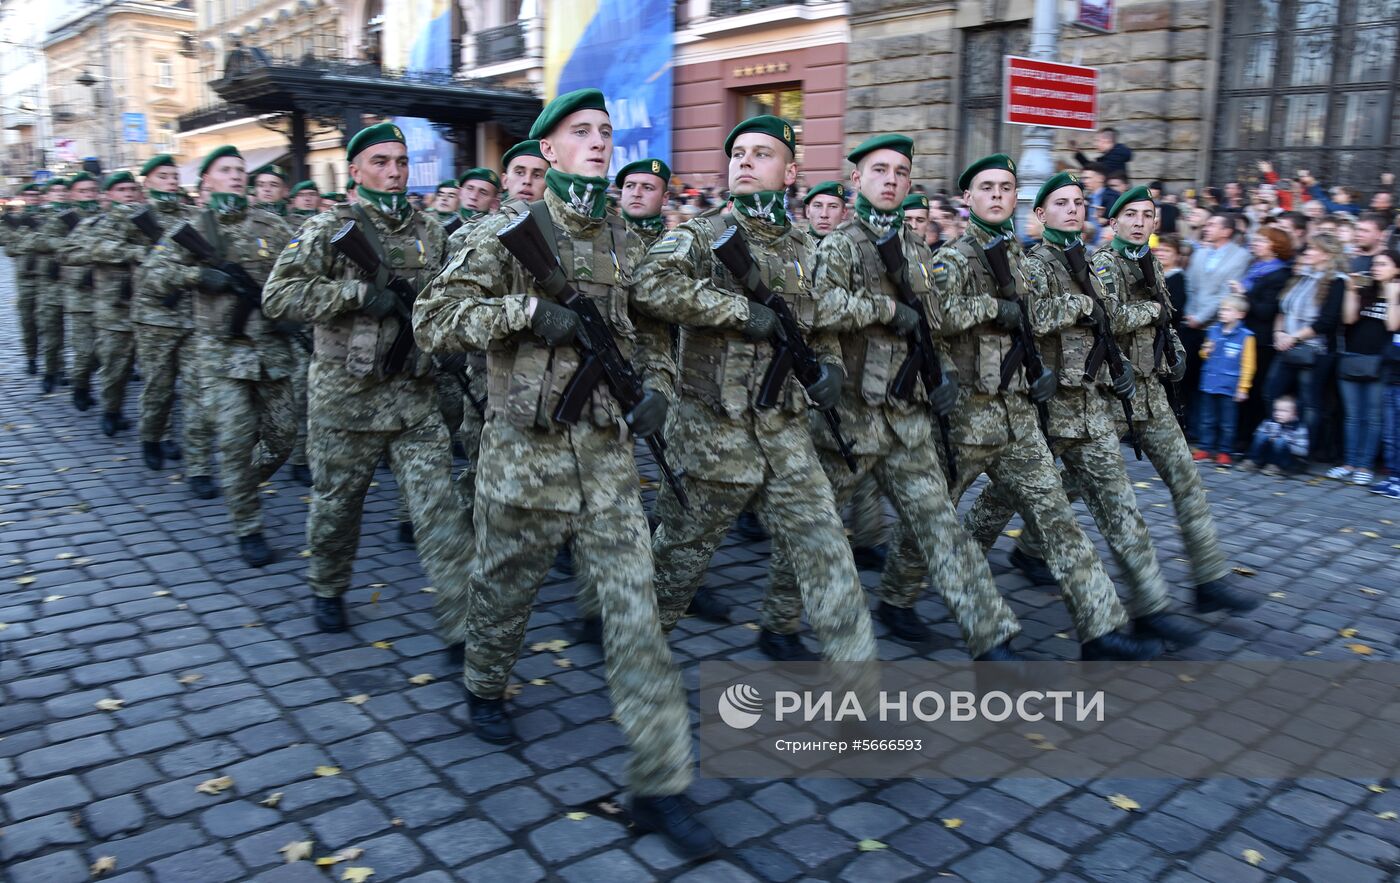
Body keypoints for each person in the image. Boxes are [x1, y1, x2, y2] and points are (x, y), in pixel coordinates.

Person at [414, 89, 717, 857]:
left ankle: (660, 781)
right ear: (546, 151)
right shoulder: (502, 234)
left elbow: (648, 331)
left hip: (608, 459)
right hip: (525, 456)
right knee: (504, 588)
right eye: (580, 132)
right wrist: (521, 314)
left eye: (606, 132)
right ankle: (484, 682)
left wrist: (654, 391)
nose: (597, 142)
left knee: (636, 615)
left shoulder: (626, 237)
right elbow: (433, 322)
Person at [760, 135, 1034, 656]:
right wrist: (883, 311)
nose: (890, 179)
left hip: (907, 416)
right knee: (817, 529)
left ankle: (991, 636)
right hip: (852, 416)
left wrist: (945, 373)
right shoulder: (838, 244)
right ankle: (779, 621)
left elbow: (929, 326)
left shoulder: (914, 248)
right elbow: (817, 312)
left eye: (900, 172)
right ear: (856, 180)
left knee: (940, 525)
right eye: (879, 170)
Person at [634, 114, 886, 672]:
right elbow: (649, 287)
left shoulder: (805, 246)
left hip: (786, 435)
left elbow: (818, 324)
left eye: (761, 153)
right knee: (675, 571)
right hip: (711, 436)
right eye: (738, 152)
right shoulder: (701, 235)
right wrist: (739, 311)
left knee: (828, 556)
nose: (745, 161)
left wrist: (830, 370)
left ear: (790, 171)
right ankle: (639, 670)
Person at [927, 156, 1167, 659]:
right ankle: (898, 596)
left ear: (1017, 199)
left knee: (1059, 520)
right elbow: (937, 323)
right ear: (967, 198)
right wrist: (1000, 310)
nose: (996, 195)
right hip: (969, 414)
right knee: (933, 518)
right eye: (986, 187)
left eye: (1005, 188)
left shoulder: (1018, 257)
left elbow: (1044, 321)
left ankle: (1101, 630)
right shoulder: (953, 258)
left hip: (1020, 412)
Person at [262, 121, 475, 644]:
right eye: (380, 162)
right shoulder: (326, 229)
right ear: (355, 171)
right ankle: (328, 586)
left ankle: (465, 629)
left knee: (440, 515)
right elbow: (278, 297)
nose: (394, 172)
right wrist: (353, 296)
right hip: (347, 400)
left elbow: (445, 301)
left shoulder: (430, 231)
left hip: (415, 400)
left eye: (400, 162)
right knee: (338, 507)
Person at [1091, 186, 1259, 614]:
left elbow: (1167, 322)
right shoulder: (1103, 264)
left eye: (1147, 215)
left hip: (1152, 394)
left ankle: (1210, 578)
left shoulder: (1153, 264)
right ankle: (1032, 549)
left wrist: (1178, 354)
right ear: (1113, 222)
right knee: (1073, 483)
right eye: (1130, 215)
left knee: (1188, 481)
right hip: (1112, 396)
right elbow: (1112, 319)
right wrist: (1153, 311)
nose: (1139, 222)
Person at [142, 145, 297, 565]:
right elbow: (153, 276)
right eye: (225, 170)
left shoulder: (272, 223)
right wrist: (198, 275)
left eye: (239, 170)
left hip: (270, 351)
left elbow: (297, 272)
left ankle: (240, 482)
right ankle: (248, 525)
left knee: (283, 438)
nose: (235, 176)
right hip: (219, 356)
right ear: (206, 180)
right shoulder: (191, 227)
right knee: (234, 440)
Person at [130, 154, 213, 480]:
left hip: (193, 317)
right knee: (159, 387)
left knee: (196, 391)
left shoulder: (194, 217)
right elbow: (87, 247)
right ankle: (153, 436)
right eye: (163, 176)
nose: (171, 181)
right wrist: (137, 252)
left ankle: (199, 467)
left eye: (174, 176)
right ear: (147, 182)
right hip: (154, 316)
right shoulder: (133, 217)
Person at [1267, 232, 1347, 460]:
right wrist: (1279, 333)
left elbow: (1327, 322)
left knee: (1309, 402)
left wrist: (1293, 337)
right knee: (1271, 392)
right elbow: (1284, 307)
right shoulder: (1302, 276)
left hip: (1315, 350)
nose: (1307, 253)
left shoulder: (1336, 281)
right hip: (1287, 346)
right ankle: (1275, 442)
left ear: (1326, 254)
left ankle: (1301, 452)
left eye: (1312, 249)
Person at [83, 171, 149, 437]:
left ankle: (155, 431)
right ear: (108, 195)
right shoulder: (100, 223)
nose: (128, 195)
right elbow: (93, 249)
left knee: (154, 373)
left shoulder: (148, 220)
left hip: (149, 307)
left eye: (131, 189)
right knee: (115, 367)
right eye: (121, 190)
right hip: (114, 309)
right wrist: (132, 252)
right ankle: (112, 411)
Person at [1331, 248, 1400, 486]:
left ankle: (1365, 465)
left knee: (1373, 417)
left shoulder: (1397, 294)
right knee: (1351, 416)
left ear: (1397, 269)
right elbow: (1349, 319)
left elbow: (1392, 326)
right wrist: (1351, 290)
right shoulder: (1364, 291)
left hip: (1380, 363)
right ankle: (1349, 463)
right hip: (1352, 357)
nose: (1376, 267)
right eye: (1375, 264)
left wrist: (1392, 297)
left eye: (1383, 264)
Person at [1182, 214, 1251, 426]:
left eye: (1213, 224)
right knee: (1187, 376)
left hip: (1216, 325)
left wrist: (1202, 317)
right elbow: (1190, 285)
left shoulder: (1241, 256)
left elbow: (1227, 292)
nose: (1207, 227)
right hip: (1191, 320)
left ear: (1227, 231)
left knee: (1210, 381)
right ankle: (1186, 424)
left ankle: (1206, 431)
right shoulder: (1200, 253)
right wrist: (1191, 314)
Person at [1229, 226, 1292, 444]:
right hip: (1243, 335)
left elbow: (1266, 311)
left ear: (1275, 247)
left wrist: (1244, 293)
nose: (1255, 243)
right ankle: (1236, 436)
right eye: (1254, 239)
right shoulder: (1255, 267)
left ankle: (1248, 440)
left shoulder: (1280, 274)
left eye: (1261, 240)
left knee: (1255, 391)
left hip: (1261, 340)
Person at [49, 172, 104, 411]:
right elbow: (59, 250)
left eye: (92, 190)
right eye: (83, 191)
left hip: (107, 296)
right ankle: (80, 387)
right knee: (84, 351)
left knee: (105, 353)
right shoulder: (63, 220)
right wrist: (95, 253)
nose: (89, 195)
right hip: (79, 296)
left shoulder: (107, 218)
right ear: (72, 194)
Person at [1193, 294, 1256, 464]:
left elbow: (1248, 365)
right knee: (1207, 419)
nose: (1223, 312)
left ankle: (1224, 451)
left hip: (1230, 386)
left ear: (1240, 314)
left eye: (1228, 310)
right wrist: (1206, 350)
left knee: (1227, 423)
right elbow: (1204, 355)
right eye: (1222, 309)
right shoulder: (1213, 330)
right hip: (1210, 383)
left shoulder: (1246, 336)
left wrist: (1243, 388)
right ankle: (1205, 447)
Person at [1, 183, 44, 374]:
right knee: (28, 320)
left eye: (36, 195)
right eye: (29, 195)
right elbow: (10, 248)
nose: (33, 198)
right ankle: (31, 356)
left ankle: (55, 365)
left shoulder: (48, 217)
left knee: (51, 323)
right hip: (26, 278)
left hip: (49, 278)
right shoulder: (11, 221)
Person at [1241, 395, 1310, 475]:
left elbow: (1303, 451)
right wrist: (1268, 437)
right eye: (1276, 410)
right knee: (1261, 436)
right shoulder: (1269, 422)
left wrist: (1286, 443)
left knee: (1280, 441)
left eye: (1284, 411)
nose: (1278, 414)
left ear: (1294, 414)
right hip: (1267, 453)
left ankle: (1276, 466)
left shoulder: (1299, 428)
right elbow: (1256, 435)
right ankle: (1253, 461)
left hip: (1286, 458)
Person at [616, 157, 670, 252]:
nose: (636, 193)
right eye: (630, 186)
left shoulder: (676, 244)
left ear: (665, 198)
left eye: (647, 188)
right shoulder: (600, 237)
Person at [802, 180, 846, 246]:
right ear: (807, 211)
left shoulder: (855, 248)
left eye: (833, 206)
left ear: (843, 213)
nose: (824, 214)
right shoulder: (793, 247)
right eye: (817, 206)